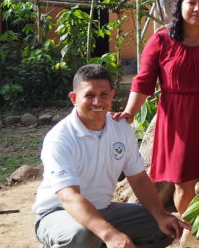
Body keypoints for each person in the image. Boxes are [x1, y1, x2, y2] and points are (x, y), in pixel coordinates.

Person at [113, 0, 199, 214]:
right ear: (180, 6)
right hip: (177, 120)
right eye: (191, 3)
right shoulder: (161, 39)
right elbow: (143, 81)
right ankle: (187, 232)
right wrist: (129, 112)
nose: (197, 9)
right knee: (184, 181)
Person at [33, 64, 188, 248]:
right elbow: (69, 197)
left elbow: (138, 178)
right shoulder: (60, 138)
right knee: (82, 236)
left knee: (165, 226)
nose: (97, 102)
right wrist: (110, 235)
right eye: (89, 95)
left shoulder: (121, 128)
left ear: (112, 96)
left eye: (103, 95)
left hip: (103, 210)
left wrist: (161, 216)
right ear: (74, 98)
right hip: (58, 212)